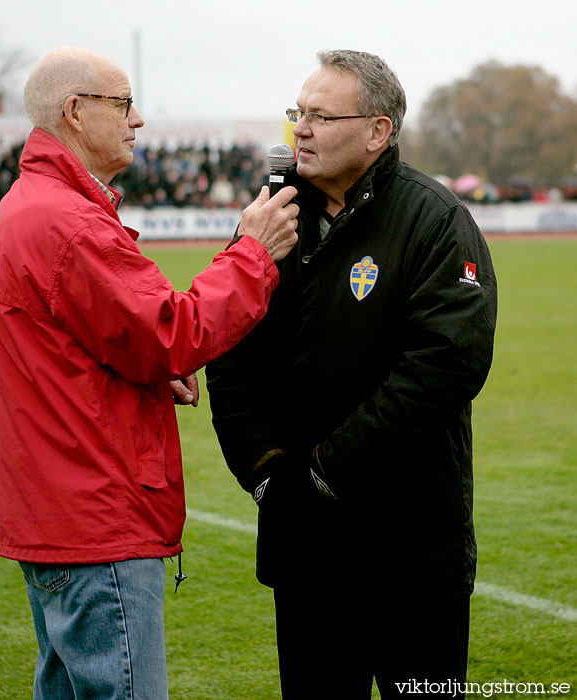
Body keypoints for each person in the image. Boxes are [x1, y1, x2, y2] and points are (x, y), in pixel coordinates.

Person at [0, 46, 298, 700]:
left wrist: (147, 374)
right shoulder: (67, 222)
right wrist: (253, 252)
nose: (138, 119)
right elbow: (174, 333)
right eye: (122, 104)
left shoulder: (33, 207)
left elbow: (74, 352)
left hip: (57, 513)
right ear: (75, 111)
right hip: (94, 518)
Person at [206, 50, 497, 699]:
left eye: (319, 116)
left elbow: (446, 364)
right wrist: (264, 470)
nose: (299, 131)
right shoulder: (269, 219)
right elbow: (227, 352)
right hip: (305, 552)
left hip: (414, 555)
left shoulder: (434, 220)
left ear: (376, 132)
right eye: (296, 115)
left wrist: (326, 469)